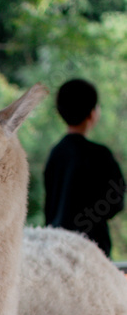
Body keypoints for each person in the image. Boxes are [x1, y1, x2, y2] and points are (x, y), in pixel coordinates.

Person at [44, 78, 125, 257]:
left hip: (56, 247)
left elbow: (50, 206)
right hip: (93, 249)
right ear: (92, 113)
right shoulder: (100, 154)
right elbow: (116, 201)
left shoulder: (56, 154)